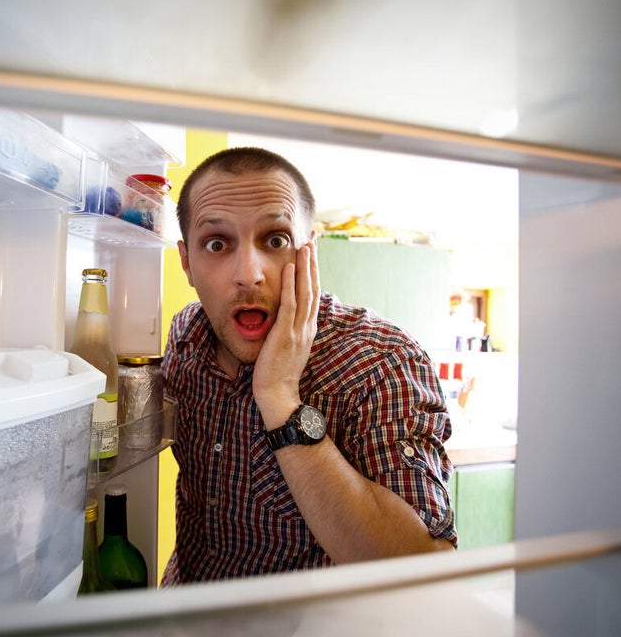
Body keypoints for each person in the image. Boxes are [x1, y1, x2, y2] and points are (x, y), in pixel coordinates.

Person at [161, 146, 456, 585]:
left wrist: (280, 396)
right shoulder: (187, 335)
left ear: (309, 252)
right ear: (186, 262)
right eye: (217, 244)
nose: (249, 273)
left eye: (275, 240)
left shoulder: (380, 360)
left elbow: (424, 570)